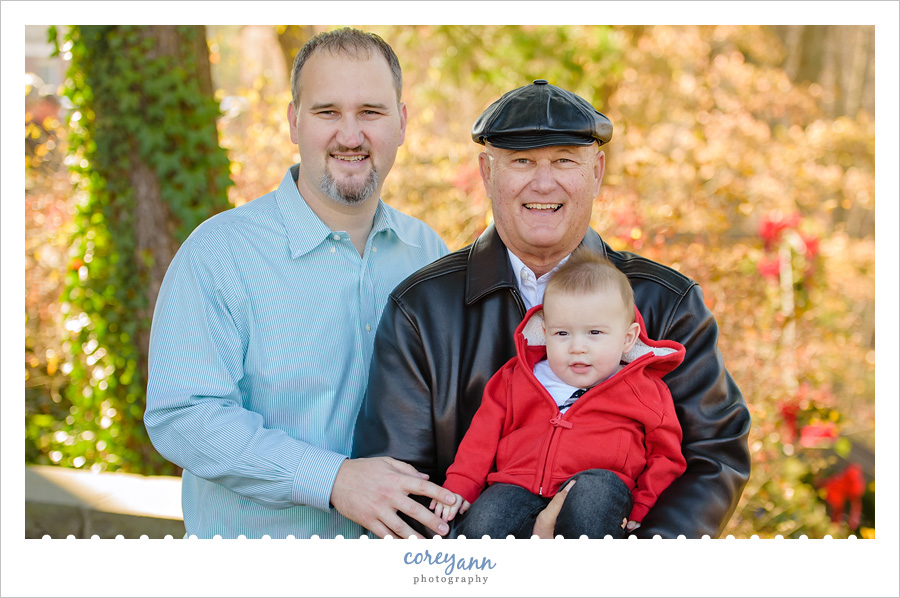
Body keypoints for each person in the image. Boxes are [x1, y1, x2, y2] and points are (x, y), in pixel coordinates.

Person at [353, 79, 752, 539]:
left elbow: (714, 456)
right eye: (521, 162)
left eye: (564, 161)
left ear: (597, 172)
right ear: (487, 173)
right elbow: (398, 485)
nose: (543, 183)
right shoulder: (421, 309)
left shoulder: (669, 302)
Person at [144, 28, 454, 539]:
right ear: (293, 121)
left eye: (371, 113)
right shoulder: (220, 253)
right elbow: (184, 416)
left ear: (401, 123)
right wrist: (332, 480)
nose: (350, 135)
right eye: (327, 112)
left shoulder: (428, 253)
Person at [430, 248, 687, 538]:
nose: (577, 347)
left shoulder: (644, 390)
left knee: (593, 499)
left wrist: (644, 504)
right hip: (518, 483)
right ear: (545, 331)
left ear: (627, 339)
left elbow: (666, 456)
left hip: (598, 485)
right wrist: (462, 483)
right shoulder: (520, 377)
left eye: (595, 333)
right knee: (484, 520)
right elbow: (482, 435)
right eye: (562, 334)